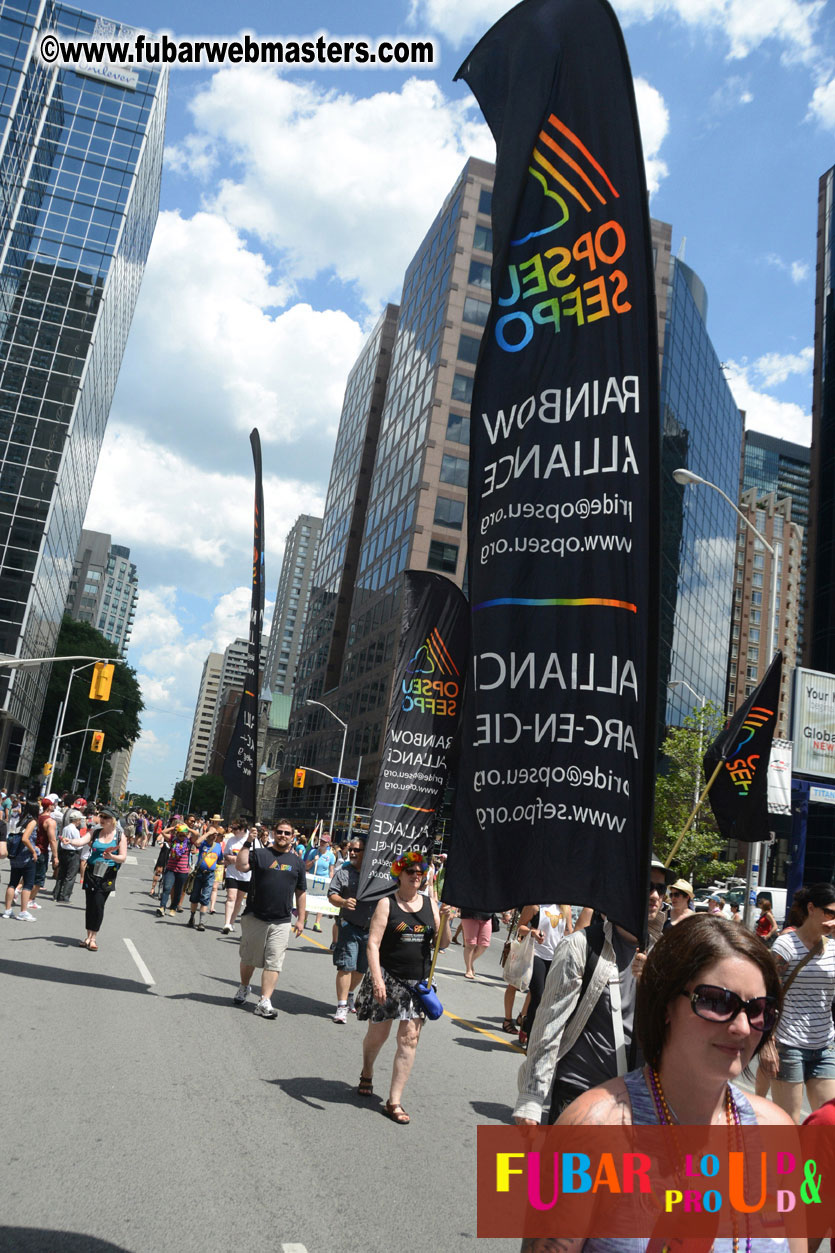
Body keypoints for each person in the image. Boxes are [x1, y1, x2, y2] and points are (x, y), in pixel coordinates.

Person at [519, 916, 796, 1253]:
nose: (742, 1027)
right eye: (716, 1001)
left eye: (758, 1009)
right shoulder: (592, 1130)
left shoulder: (778, 1133)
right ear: (666, 1004)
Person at [514, 858, 671, 1126]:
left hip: (637, 1100)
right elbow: (549, 1024)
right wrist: (531, 1098)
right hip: (580, 1092)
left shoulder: (667, 955)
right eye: (647, 886)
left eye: (661, 888)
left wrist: (657, 983)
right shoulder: (580, 946)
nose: (655, 896)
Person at [354, 849, 451, 1125]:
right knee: (378, 1035)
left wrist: (447, 920)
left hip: (417, 984)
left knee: (409, 1039)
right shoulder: (387, 903)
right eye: (411, 872)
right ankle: (367, 1070)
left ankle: (394, 1101)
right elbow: (373, 944)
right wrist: (377, 979)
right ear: (400, 874)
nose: (416, 876)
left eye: (420, 873)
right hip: (388, 979)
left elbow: (442, 944)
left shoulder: (431, 904)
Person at [770, 883, 835, 1122]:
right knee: (788, 1124)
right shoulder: (786, 945)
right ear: (811, 908)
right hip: (788, 1044)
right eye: (829, 912)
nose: (832, 920)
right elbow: (768, 994)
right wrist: (767, 1043)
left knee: (829, 1122)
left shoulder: (833, 947)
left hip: (825, 1045)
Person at [232, 822, 306, 1018]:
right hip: (256, 916)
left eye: (287, 833)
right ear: (274, 833)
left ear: (292, 836)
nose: (283, 835)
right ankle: (244, 986)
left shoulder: (297, 862)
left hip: (282, 920)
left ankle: (264, 1001)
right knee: (249, 958)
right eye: (279, 832)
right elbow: (240, 866)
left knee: (274, 962)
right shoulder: (260, 854)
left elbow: (301, 892)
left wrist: (301, 919)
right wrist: (248, 842)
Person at [328, 838, 375, 1023]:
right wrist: (343, 902)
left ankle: (349, 993)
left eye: (357, 850)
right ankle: (341, 1007)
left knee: (361, 968)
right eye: (351, 850)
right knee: (346, 966)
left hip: (370, 930)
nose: (352, 853)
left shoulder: (376, 874)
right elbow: (332, 894)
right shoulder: (343, 872)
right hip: (349, 926)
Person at [516, 903, 573, 1047]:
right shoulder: (535, 905)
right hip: (536, 954)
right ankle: (531, 1040)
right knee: (538, 996)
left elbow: (569, 931)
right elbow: (520, 927)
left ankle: (526, 1023)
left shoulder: (565, 907)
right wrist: (532, 932)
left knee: (548, 999)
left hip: (556, 957)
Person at [80, 806, 127, 950]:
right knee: (90, 905)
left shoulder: (120, 836)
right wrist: (69, 841)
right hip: (91, 871)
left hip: (107, 874)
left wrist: (112, 857)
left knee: (98, 904)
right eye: (101, 816)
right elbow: (81, 841)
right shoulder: (95, 832)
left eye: (105, 817)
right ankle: (88, 936)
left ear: (112, 820)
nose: (102, 819)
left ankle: (94, 938)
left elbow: (123, 857)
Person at [2, 799, 40, 920]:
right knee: (28, 884)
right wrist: (33, 851)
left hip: (15, 855)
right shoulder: (32, 821)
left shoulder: (21, 820)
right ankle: (23, 912)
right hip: (26, 856)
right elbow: (25, 838)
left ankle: (7, 910)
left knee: (12, 883)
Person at [186, 821, 225, 930]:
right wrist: (208, 833)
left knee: (205, 898)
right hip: (199, 873)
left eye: (215, 834)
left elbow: (220, 860)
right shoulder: (203, 843)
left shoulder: (218, 846)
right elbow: (197, 842)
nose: (214, 836)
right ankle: (192, 917)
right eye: (212, 834)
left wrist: (230, 862)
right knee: (194, 897)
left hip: (210, 875)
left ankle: (201, 922)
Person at [221, 821, 254, 935]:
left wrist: (242, 860)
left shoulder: (252, 839)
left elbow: (256, 856)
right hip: (232, 873)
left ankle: (232, 922)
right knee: (231, 897)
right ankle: (226, 923)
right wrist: (230, 858)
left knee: (239, 900)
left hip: (245, 875)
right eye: (232, 828)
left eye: (235, 829)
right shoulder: (231, 840)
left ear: (243, 828)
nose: (233, 831)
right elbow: (225, 854)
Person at [30, 797, 59, 910]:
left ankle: (18, 890)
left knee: (30, 874)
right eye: (53, 804)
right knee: (39, 878)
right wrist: (55, 857)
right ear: (49, 806)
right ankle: (30, 899)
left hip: (33, 849)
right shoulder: (50, 821)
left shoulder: (38, 817)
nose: (54, 806)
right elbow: (52, 840)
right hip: (42, 850)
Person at [156, 824, 191, 916]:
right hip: (171, 869)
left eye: (184, 835)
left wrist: (188, 828)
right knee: (167, 887)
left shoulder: (189, 842)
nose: (182, 837)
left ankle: (173, 908)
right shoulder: (173, 839)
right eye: (180, 835)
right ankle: (162, 907)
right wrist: (173, 827)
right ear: (177, 834)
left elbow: (197, 835)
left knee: (178, 891)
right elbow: (163, 832)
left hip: (182, 871)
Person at [54, 807, 86, 902]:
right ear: (77, 820)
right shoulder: (75, 830)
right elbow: (78, 843)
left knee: (62, 874)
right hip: (73, 853)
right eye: (79, 820)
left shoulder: (66, 828)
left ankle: (57, 894)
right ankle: (65, 896)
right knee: (70, 876)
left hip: (64, 851)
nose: (80, 822)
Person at [305, 832, 335, 932]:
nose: (322, 843)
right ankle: (304, 919)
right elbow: (306, 866)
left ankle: (317, 923)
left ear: (328, 844)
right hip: (312, 878)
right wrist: (313, 861)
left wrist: (331, 881)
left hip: (323, 880)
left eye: (324, 842)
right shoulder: (313, 852)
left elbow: (331, 870)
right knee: (309, 899)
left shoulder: (331, 856)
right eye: (321, 841)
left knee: (321, 901)